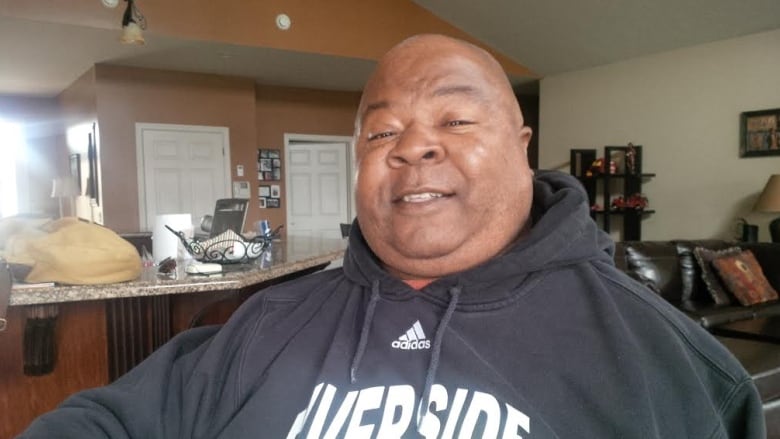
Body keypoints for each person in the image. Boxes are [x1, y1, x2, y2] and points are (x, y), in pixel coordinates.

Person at [21, 34, 764, 438]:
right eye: (382, 131)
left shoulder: (668, 363)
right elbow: (107, 419)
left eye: (455, 119)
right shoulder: (264, 323)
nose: (412, 147)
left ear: (522, 145)